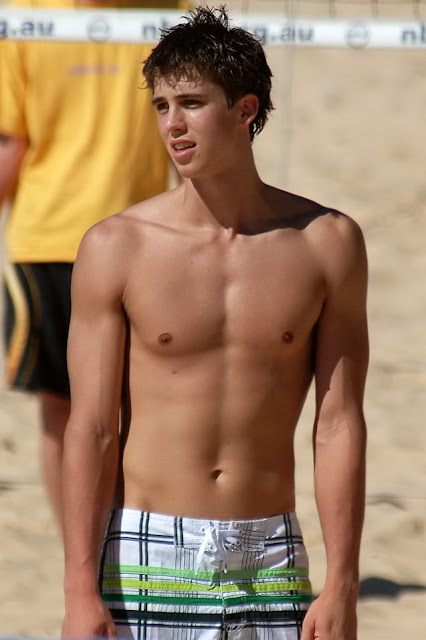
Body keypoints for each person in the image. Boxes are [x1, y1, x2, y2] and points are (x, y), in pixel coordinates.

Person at [61, 7, 369, 640]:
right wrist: (78, 591)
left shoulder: (327, 243)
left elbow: (338, 423)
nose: (172, 124)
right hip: (147, 550)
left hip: (271, 552)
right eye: (161, 105)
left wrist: (342, 582)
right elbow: (91, 427)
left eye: (192, 103)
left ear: (245, 109)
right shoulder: (116, 246)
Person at [0, 0, 189, 531]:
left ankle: (124, 548)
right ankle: (78, 557)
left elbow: (190, 132)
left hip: (145, 244)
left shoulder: (169, 12)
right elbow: (11, 142)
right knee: (63, 409)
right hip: (48, 243)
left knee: (141, 409)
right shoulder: (24, 16)